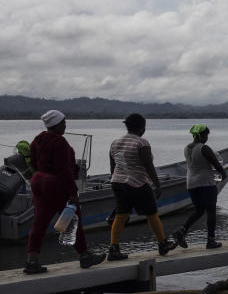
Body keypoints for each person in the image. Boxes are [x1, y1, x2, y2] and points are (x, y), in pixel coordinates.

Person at [23, 111, 105, 274]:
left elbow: (32, 162)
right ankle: (84, 256)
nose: (66, 125)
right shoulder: (59, 142)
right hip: (55, 183)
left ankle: (32, 262)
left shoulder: (37, 140)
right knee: (73, 219)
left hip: (38, 181)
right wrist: (73, 194)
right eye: (64, 122)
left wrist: (42, 174)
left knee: (39, 222)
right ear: (57, 124)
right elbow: (64, 170)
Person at [108, 113, 175, 259]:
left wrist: (117, 181)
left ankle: (114, 249)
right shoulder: (141, 143)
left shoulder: (115, 142)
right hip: (137, 183)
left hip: (117, 182)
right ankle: (163, 244)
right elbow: (148, 165)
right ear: (141, 127)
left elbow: (113, 166)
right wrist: (157, 185)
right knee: (152, 213)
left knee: (121, 215)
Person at [172, 125, 227, 249]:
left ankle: (181, 231)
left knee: (199, 210)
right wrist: (223, 174)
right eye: (206, 135)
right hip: (206, 183)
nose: (207, 138)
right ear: (201, 135)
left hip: (191, 183)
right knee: (211, 211)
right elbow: (216, 163)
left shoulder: (186, 148)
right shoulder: (204, 148)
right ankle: (211, 240)